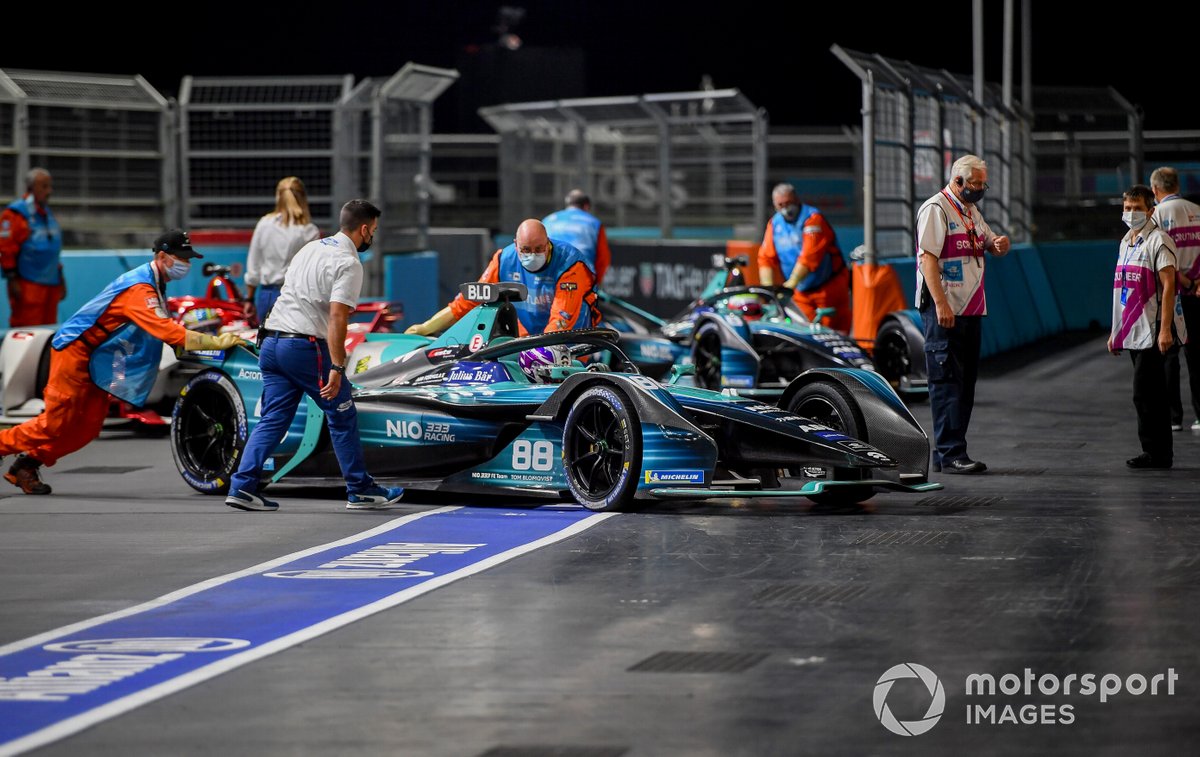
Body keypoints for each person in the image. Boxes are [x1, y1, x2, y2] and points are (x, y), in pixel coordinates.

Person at [0, 230, 247, 494]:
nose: (186, 264)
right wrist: (215, 342)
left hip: (95, 357)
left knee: (88, 427)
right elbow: (166, 330)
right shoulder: (140, 289)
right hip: (74, 352)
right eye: (182, 257)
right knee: (55, 423)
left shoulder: (154, 284)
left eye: (189, 258)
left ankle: (28, 464)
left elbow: (163, 331)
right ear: (162, 256)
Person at [225, 200, 404, 513]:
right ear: (364, 229)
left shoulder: (310, 248)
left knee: (274, 417)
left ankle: (242, 486)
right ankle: (360, 489)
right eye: (372, 231)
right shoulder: (349, 263)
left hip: (271, 342)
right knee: (342, 413)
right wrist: (337, 366)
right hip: (304, 347)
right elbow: (337, 317)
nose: (371, 236)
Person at [914, 155, 1011, 474]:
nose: (980, 189)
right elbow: (928, 260)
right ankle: (950, 451)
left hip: (971, 307)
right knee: (946, 382)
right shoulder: (935, 209)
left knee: (965, 382)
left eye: (983, 184)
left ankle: (951, 452)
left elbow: (987, 242)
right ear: (957, 181)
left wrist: (998, 244)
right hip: (945, 309)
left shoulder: (970, 211)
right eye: (976, 184)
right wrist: (941, 304)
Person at [405, 219, 600, 337]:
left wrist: (541, 351)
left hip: (570, 345)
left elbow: (561, 320)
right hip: (526, 342)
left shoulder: (571, 265)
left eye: (539, 249)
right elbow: (469, 301)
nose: (532, 254)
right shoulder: (504, 259)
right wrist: (426, 327)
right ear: (516, 245)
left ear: (548, 244)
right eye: (526, 250)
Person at [1109, 184, 1183, 469]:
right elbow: (1122, 290)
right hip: (1132, 330)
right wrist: (1116, 331)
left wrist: (1165, 330)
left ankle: (1159, 453)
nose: (1130, 213)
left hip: (1152, 330)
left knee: (1147, 393)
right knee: (1146, 394)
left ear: (1151, 210)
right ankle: (1152, 450)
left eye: (1137, 208)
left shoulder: (1159, 241)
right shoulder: (1127, 241)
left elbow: (1169, 286)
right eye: (1127, 208)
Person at [758, 183, 851, 333]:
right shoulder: (775, 224)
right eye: (781, 205)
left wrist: (790, 284)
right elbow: (765, 259)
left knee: (833, 334)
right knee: (803, 332)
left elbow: (809, 257)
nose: (786, 208)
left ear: (796, 199)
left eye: (788, 203)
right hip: (801, 292)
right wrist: (769, 291)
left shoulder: (813, 219)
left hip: (828, 287)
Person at [1149, 166, 1200, 432]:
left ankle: (1173, 417)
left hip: (1174, 294)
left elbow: (1161, 259)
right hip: (1198, 293)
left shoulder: (1156, 214)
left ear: (1155, 190)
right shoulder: (1197, 210)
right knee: (1197, 356)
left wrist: (1186, 282)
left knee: (1169, 355)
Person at [244, 177, 320, 324]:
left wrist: (249, 298)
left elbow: (254, 266)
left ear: (278, 197)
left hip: (267, 295)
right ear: (303, 198)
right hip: (296, 297)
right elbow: (311, 273)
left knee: (265, 343)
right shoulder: (309, 231)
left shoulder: (265, 224)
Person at [1, 168, 65, 327]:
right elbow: (6, 248)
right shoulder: (16, 214)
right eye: (44, 186)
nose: (49, 191)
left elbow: (52, 250)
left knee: (48, 333)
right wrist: (12, 279)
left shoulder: (47, 214)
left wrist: (61, 279)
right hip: (28, 285)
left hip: (51, 285)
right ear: (31, 187)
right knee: (26, 331)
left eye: (50, 186)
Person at [541, 189, 611, 285]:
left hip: (550, 277)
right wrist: (595, 282)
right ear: (586, 206)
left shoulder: (548, 220)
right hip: (582, 277)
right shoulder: (594, 223)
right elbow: (603, 258)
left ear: (568, 203)